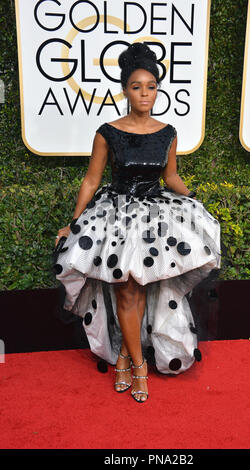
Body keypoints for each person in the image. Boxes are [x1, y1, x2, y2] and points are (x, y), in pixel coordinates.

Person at [53, 42, 221, 403]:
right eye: (137, 86)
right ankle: (139, 366)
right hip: (115, 219)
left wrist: (195, 204)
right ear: (125, 90)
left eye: (152, 86)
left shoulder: (167, 133)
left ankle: (127, 357)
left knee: (140, 289)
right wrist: (73, 224)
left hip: (154, 221)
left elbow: (171, 177)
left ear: (158, 90)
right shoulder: (108, 131)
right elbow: (91, 181)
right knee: (127, 290)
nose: (145, 93)